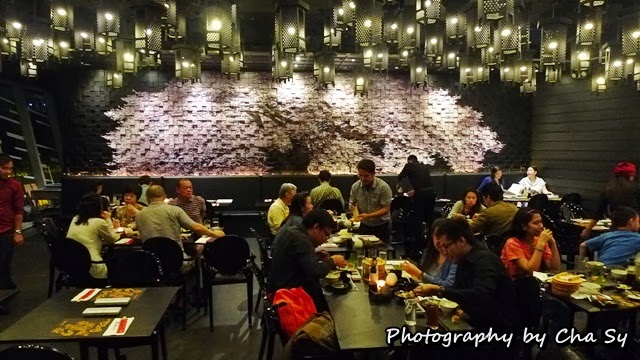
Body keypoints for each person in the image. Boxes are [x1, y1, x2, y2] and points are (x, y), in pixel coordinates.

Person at [414, 217, 518, 332]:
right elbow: (458, 290)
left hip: (494, 331)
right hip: (471, 321)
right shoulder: (461, 258)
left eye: (446, 246)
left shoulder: (485, 260)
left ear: (461, 241)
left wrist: (440, 290)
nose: (444, 252)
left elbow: (481, 296)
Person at [271, 209, 348, 310]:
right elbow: (316, 271)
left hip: (282, 284)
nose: (326, 239)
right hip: (290, 294)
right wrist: (333, 260)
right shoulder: (301, 240)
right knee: (333, 302)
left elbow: (297, 258)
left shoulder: (293, 231)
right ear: (316, 227)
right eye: (326, 234)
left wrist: (314, 255)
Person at [136, 185, 224, 263]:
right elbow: (197, 228)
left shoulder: (139, 215)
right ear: (164, 197)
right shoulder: (175, 210)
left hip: (152, 263)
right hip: (177, 262)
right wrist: (214, 233)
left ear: (147, 198)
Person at [66, 194, 120, 279]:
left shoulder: (75, 218)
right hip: (93, 265)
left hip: (72, 264)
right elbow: (112, 239)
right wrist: (109, 220)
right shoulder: (98, 222)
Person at [581, 162, 640, 239]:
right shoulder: (636, 189)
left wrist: (587, 229)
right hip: (635, 229)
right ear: (630, 175)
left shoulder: (608, 190)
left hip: (615, 230)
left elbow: (598, 213)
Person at [501, 208, 561, 279]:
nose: (541, 226)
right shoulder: (512, 243)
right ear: (524, 227)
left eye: (541, 222)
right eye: (536, 223)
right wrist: (541, 244)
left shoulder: (538, 240)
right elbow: (530, 271)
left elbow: (554, 268)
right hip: (516, 283)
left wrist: (553, 243)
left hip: (535, 281)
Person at [402, 219, 457, 287]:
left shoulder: (454, 257)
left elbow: (448, 285)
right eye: (438, 238)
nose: (441, 242)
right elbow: (420, 274)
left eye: (445, 239)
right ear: (432, 236)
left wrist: (420, 274)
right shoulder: (430, 252)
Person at [350, 159, 393, 242]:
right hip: (365, 225)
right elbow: (352, 203)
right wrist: (352, 208)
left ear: (373, 174)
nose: (362, 178)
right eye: (360, 175)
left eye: (366, 176)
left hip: (381, 225)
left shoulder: (383, 187)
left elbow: (386, 209)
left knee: (382, 250)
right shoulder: (355, 187)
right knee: (362, 251)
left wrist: (368, 215)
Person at [0, 154, 24, 290]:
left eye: (10, 169)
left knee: (4, 264)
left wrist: (18, 232)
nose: (8, 172)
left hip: (5, 231)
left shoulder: (15, 185)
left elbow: (19, 211)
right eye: (4, 168)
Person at [397, 154, 436, 228]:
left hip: (420, 194)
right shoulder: (424, 166)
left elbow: (400, 177)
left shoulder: (409, 165)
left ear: (409, 161)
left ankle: (418, 237)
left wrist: (400, 187)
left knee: (418, 217)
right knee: (429, 217)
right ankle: (431, 236)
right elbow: (422, 182)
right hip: (431, 192)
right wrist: (414, 190)